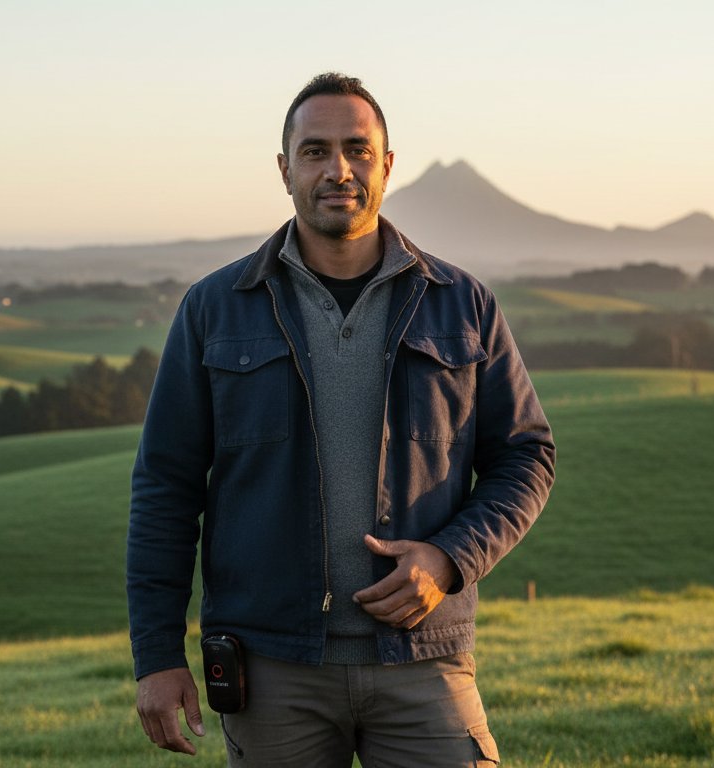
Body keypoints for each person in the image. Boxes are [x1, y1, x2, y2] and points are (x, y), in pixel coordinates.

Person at [127, 72, 555, 766]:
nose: (338, 170)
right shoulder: (215, 308)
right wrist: (156, 655)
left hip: (424, 661)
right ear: (284, 167)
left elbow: (527, 456)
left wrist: (449, 560)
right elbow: (164, 488)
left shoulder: (461, 302)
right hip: (271, 671)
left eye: (358, 150)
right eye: (316, 150)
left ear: (386, 165)